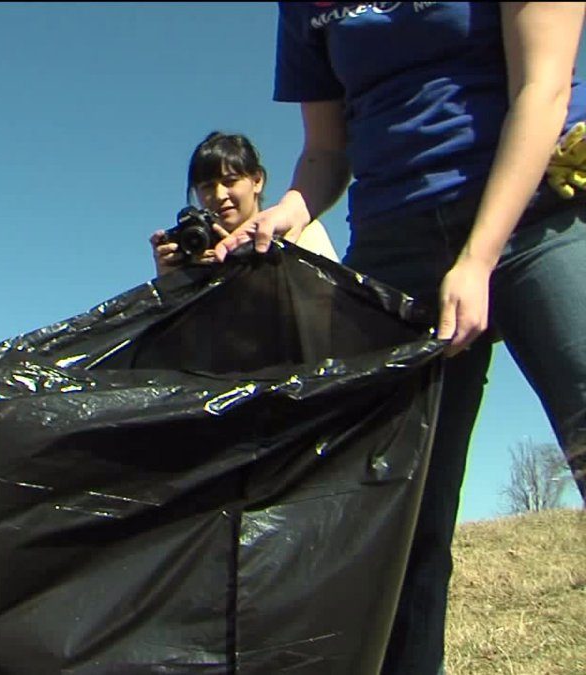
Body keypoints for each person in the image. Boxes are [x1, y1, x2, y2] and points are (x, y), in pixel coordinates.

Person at [212, 3, 586, 673]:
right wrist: (288, 211)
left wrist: (477, 256)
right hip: (394, 245)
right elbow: (328, 149)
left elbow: (544, 87)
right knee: (404, 518)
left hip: (537, 216)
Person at [150, 131, 338, 276]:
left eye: (230, 182)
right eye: (207, 187)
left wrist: (242, 264)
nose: (219, 195)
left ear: (257, 181)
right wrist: (171, 279)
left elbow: (323, 306)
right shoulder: (194, 254)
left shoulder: (298, 232)